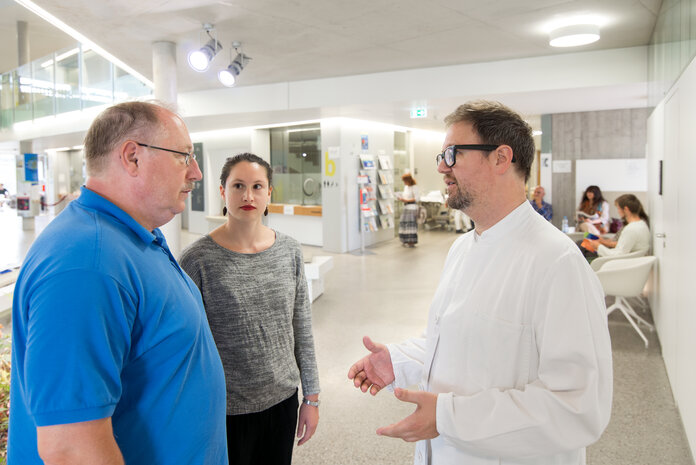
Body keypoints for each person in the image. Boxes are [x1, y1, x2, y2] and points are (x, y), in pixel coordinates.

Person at [348, 100, 612, 465]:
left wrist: (448, 417)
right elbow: (461, 344)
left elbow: (577, 407)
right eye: (441, 155)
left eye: (453, 154)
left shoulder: (557, 263)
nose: (441, 167)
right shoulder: (462, 248)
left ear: (501, 159)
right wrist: (400, 360)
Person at [9, 101, 227, 465]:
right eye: (184, 156)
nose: (196, 172)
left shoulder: (130, 237)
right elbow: (70, 448)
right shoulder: (85, 263)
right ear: (132, 157)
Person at [180, 153, 320, 465]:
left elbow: (302, 328)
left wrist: (311, 397)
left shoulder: (290, 251)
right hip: (224, 410)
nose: (247, 196)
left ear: (269, 193)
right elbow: (187, 348)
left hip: (282, 401)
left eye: (257, 186)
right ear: (222, 192)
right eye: (238, 186)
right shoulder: (197, 260)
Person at [585, 193, 650, 258]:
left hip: (616, 260)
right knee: (584, 240)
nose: (618, 211)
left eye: (618, 208)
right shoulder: (641, 224)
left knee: (583, 245)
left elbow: (618, 254)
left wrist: (598, 246)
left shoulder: (631, 229)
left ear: (626, 209)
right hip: (617, 253)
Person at [398, 173, 420, 247]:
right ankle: (405, 240)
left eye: (405, 181)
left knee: (411, 225)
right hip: (406, 208)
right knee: (404, 224)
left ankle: (411, 241)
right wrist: (401, 198)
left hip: (412, 208)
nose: (404, 182)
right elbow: (405, 196)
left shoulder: (414, 187)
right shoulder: (406, 187)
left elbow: (417, 198)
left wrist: (406, 200)